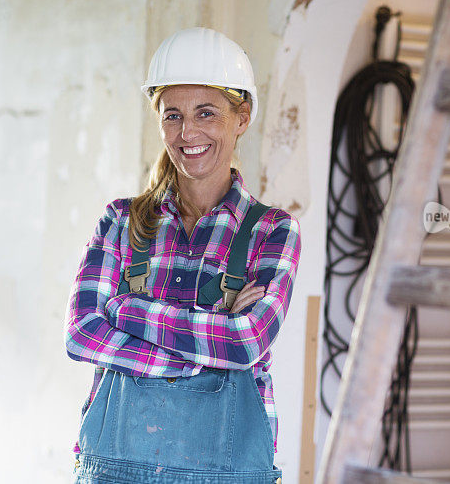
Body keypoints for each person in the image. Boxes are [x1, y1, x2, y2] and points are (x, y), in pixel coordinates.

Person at [64, 27, 301, 483]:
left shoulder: (272, 231)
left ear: (242, 117)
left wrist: (125, 310)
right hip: (117, 472)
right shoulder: (120, 221)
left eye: (206, 113)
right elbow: (81, 334)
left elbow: (247, 341)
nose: (187, 132)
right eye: (172, 115)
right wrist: (210, 347)